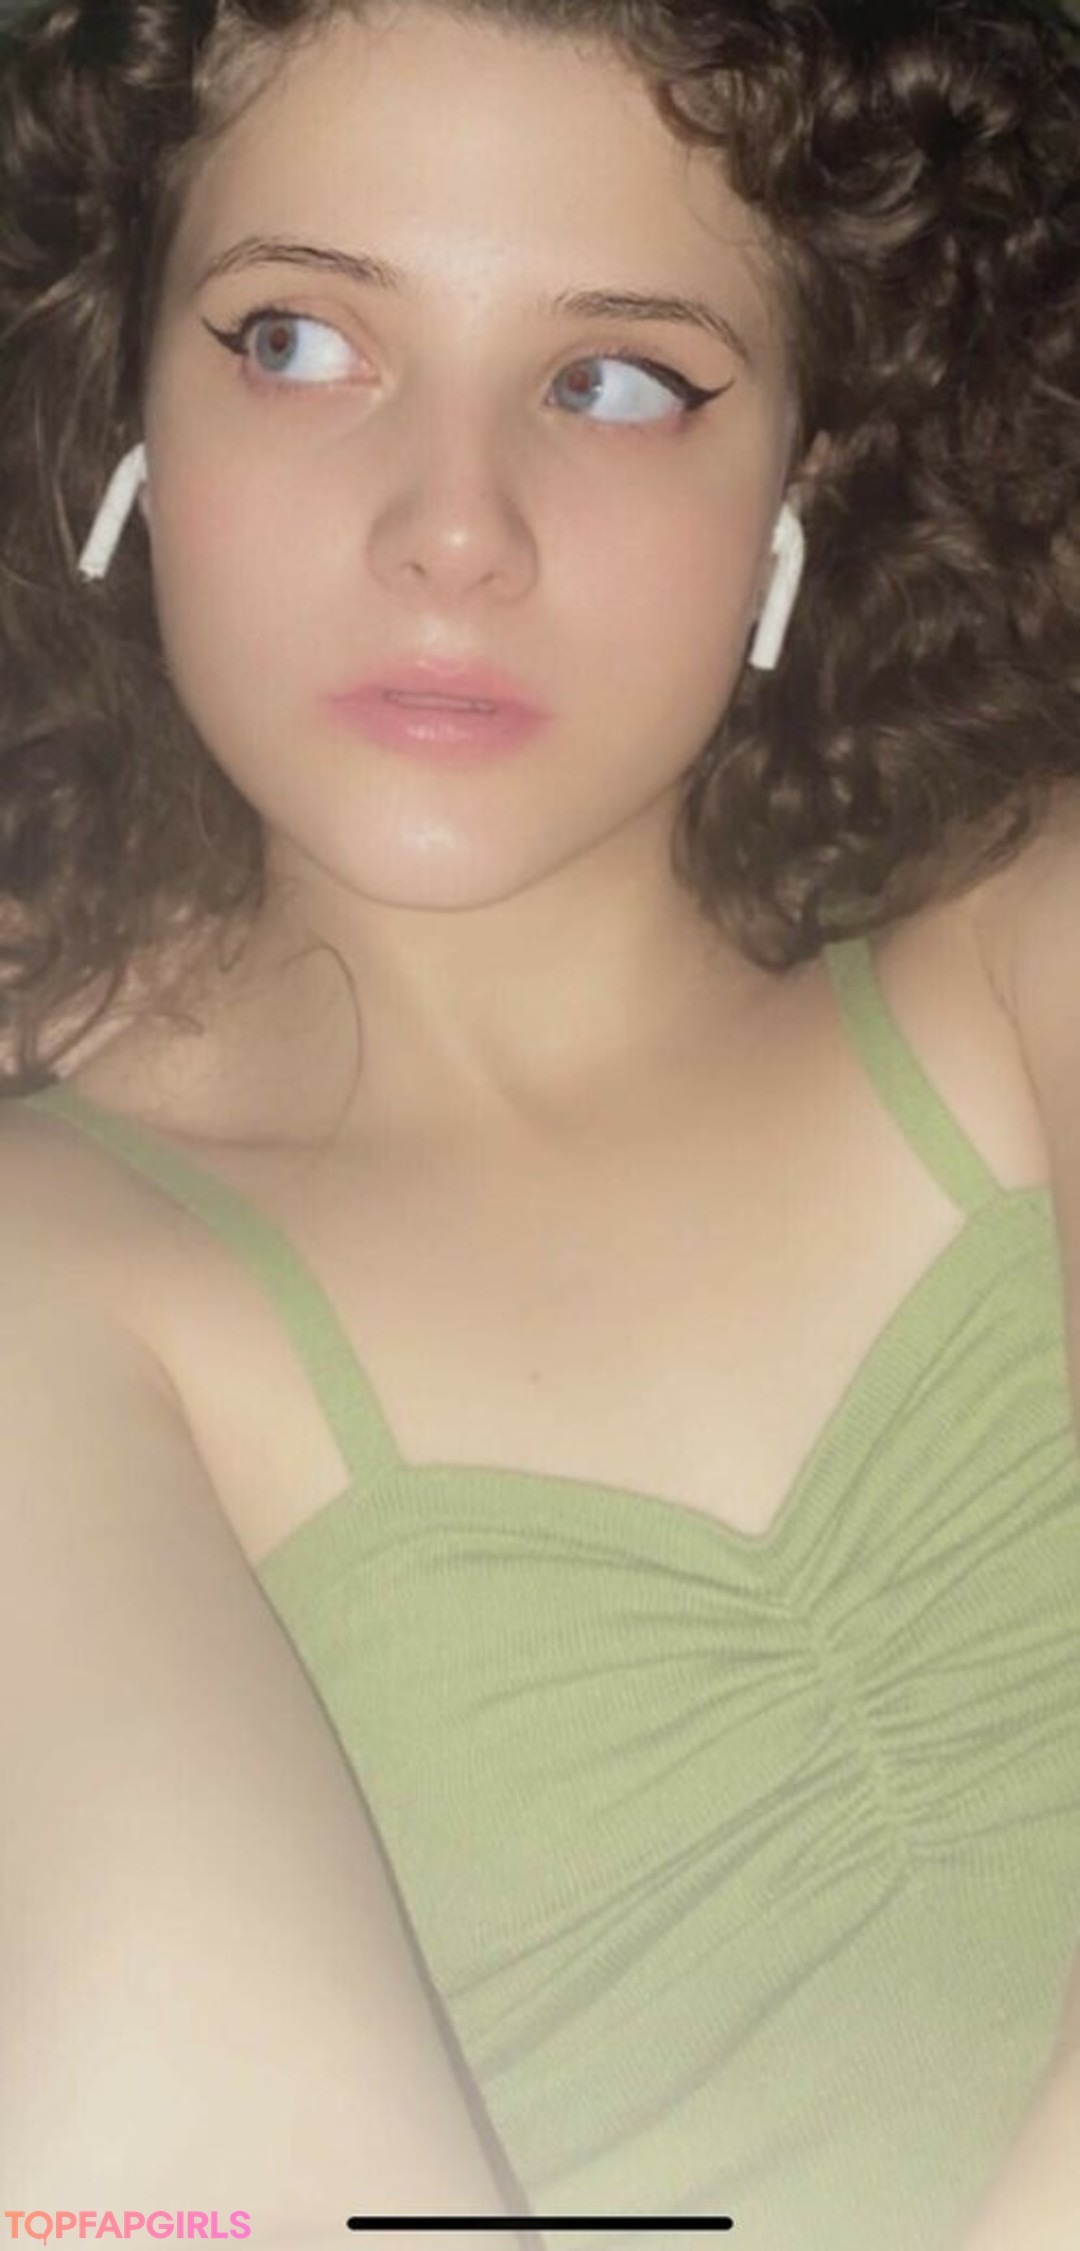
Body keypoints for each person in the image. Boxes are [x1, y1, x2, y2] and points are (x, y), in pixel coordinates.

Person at [0, 0, 1077, 2243]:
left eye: (614, 381)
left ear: (800, 485)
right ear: (123, 417)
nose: (453, 530)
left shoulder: (1034, 941)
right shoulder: (55, 1271)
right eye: (299, 342)